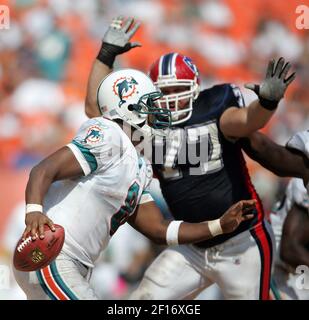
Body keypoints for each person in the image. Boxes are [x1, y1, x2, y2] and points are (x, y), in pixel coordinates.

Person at [84, 17, 296, 300]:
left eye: (177, 90)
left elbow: (246, 120)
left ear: (194, 88)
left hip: (242, 242)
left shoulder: (214, 107)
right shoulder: (146, 122)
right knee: (142, 300)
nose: (170, 98)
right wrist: (106, 55)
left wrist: (267, 103)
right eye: (164, 91)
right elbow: (94, 110)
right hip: (192, 247)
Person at [13, 68, 255, 300]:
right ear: (129, 108)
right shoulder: (108, 133)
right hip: (54, 253)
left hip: (74, 264)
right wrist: (33, 211)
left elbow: (159, 230)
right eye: (150, 104)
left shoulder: (139, 163)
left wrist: (218, 226)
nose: (158, 111)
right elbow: (45, 169)